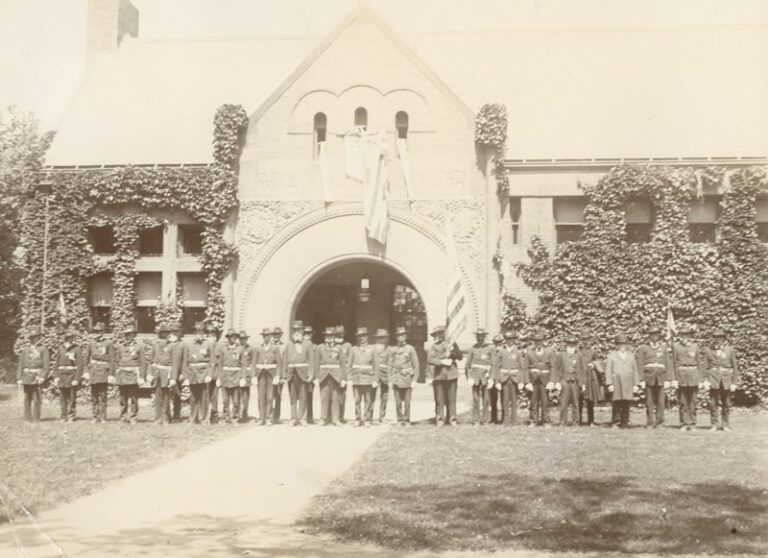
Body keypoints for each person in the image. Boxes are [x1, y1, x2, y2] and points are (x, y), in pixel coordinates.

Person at [636, 325, 672, 428]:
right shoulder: (643, 348)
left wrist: (669, 379)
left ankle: (660, 422)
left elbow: (668, 363)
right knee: (649, 402)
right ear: (649, 336)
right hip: (648, 377)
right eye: (652, 335)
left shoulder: (663, 348)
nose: (655, 337)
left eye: (656, 334)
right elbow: (640, 363)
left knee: (661, 401)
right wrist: (641, 379)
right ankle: (650, 422)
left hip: (661, 377)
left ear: (659, 336)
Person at [703, 329, 739, 432]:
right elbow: (705, 367)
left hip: (726, 380)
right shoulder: (708, 350)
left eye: (720, 337)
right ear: (713, 339)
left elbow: (735, 367)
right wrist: (705, 380)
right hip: (713, 379)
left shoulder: (730, 350)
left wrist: (734, 382)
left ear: (724, 338)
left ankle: (725, 425)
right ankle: (714, 424)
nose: (718, 340)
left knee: (726, 403)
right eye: (716, 337)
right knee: (713, 403)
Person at [426, 325, 461, 426]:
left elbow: (460, 357)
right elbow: (430, 359)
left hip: (452, 374)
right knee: (439, 399)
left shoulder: (452, 344)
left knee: (452, 399)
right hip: (439, 375)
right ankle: (440, 419)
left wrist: (452, 353)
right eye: (437, 334)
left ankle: (452, 419)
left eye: (441, 333)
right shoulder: (434, 346)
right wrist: (442, 362)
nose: (439, 336)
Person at [181, 322, 215, 424]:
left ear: (204, 333)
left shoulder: (208, 344)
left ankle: (204, 419)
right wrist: (186, 376)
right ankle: (192, 418)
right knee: (193, 397)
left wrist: (209, 375)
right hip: (192, 373)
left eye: (201, 332)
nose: (198, 334)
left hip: (203, 373)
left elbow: (212, 361)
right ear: (194, 333)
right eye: (196, 332)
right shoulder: (188, 344)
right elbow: (185, 362)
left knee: (203, 397)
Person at [605, 333, 640, 428]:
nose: (622, 346)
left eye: (624, 344)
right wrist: (609, 384)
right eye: (620, 344)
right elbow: (608, 370)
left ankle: (625, 421)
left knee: (626, 402)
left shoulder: (631, 356)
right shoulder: (611, 356)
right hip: (616, 382)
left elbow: (635, 370)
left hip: (628, 382)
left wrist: (636, 384)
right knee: (616, 402)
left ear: (627, 345)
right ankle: (616, 421)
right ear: (616, 345)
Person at [671, 325, 703, 431]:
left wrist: (700, 379)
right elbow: (674, 363)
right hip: (681, 376)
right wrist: (674, 379)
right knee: (683, 401)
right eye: (682, 335)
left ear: (690, 336)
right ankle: (684, 423)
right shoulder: (676, 346)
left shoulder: (695, 347)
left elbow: (699, 364)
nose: (685, 337)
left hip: (693, 376)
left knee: (693, 401)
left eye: (687, 335)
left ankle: (693, 423)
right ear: (680, 336)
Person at [148, 323, 180, 425]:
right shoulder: (155, 345)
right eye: (162, 333)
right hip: (157, 373)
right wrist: (149, 374)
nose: (163, 335)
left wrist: (173, 378)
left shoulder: (172, 346)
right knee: (157, 396)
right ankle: (158, 418)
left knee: (166, 396)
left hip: (167, 374)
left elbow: (175, 363)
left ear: (168, 334)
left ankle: (166, 417)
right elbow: (151, 361)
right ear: (159, 334)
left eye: (165, 333)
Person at [284, 320, 314, 426]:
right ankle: (293, 418)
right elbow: (284, 360)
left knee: (303, 397)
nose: (297, 332)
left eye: (299, 330)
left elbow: (311, 360)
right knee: (293, 397)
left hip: (303, 374)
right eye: (295, 330)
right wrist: (284, 375)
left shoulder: (308, 344)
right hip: (292, 374)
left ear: (302, 331)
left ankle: (302, 418)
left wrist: (311, 374)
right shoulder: (288, 344)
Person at [523, 329, 556, 427]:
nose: (538, 343)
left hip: (545, 380)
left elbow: (553, 367)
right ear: (534, 341)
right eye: (536, 341)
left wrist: (552, 381)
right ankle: (533, 420)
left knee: (545, 401)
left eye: (540, 340)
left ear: (543, 340)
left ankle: (546, 421)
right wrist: (527, 382)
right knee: (533, 401)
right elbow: (525, 367)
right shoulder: (529, 351)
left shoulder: (549, 351)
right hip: (533, 380)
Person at [492, 330, 526, 426]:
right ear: (505, 340)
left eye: (511, 339)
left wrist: (521, 381)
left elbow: (521, 367)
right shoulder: (501, 351)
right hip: (504, 378)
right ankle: (506, 420)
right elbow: (496, 367)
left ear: (514, 340)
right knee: (505, 399)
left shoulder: (518, 352)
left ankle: (514, 420)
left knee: (514, 400)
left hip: (515, 378)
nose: (510, 341)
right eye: (508, 339)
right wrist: (497, 381)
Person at [347, 327, 379, 427]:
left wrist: (375, 380)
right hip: (356, 378)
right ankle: (358, 419)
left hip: (368, 379)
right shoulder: (353, 349)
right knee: (357, 400)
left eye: (363, 336)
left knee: (368, 400)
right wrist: (349, 378)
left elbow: (376, 366)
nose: (362, 338)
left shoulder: (372, 349)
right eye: (360, 336)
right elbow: (349, 364)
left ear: (367, 337)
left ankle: (367, 419)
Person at [315, 326, 346, 426]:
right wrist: (316, 377)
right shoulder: (320, 348)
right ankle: (323, 418)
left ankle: (335, 419)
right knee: (324, 398)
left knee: (335, 398)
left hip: (335, 376)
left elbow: (342, 364)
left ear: (333, 337)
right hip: (323, 376)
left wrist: (343, 378)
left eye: (330, 336)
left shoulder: (339, 348)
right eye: (326, 336)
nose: (328, 338)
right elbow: (316, 363)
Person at [84, 322, 114, 423]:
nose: (98, 333)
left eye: (100, 331)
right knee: (94, 395)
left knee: (103, 395)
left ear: (103, 332)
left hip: (104, 371)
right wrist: (86, 372)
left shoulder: (108, 343)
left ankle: (103, 416)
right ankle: (95, 416)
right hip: (93, 371)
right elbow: (86, 358)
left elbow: (112, 359)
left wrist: (111, 374)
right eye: (96, 331)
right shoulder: (90, 343)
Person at [114, 326, 145, 424]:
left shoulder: (139, 347)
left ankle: (133, 417)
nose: (127, 337)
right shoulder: (120, 346)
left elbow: (143, 362)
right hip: (123, 374)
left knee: (133, 397)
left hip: (133, 374)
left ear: (134, 335)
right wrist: (116, 372)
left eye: (129, 334)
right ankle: (123, 416)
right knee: (123, 396)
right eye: (126, 335)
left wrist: (142, 377)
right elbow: (116, 361)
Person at [18, 327, 49, 422]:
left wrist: (42, 377)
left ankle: (36, 418)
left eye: (35, 337)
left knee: (36, 399)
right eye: (31, 337)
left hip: (36, 376)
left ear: (38, 337)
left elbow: (46, 365)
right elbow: (21, 364)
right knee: (27, 398)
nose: (32, 339)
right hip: (27, 376)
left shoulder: (43, 349)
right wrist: (19, 377)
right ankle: (27, 418)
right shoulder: (25, 349)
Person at [390, 326, 419, 426]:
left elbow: (416, 365)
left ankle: (406, 420)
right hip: (396, 379)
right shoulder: (393, 349)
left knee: (407, 403)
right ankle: (399, 419)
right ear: (396, 337)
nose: (401, 337)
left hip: (407, 379)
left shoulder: (410, 349)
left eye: (403, 335)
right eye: (399, 335)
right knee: (398, 403)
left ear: (406, 336)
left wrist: (414, 379)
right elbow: (390, 365)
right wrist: (391, 380)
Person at [53, 328, 83, 422]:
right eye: (67, 338)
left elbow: (80, 364)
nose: (69, 339)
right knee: (62, 397)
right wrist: (56, 376)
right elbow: (56, 363)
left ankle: (71, 416)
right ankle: (63, 416)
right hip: (62, 375)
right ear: (64, 338)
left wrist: (77, 378)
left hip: (72, 375)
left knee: (72, 397)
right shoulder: (60, 348)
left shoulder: (77, 348)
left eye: (71, 338)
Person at [465, 328, 493, 426]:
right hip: (475, 377)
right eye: (478, 336)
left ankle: (485, 420)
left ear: (484, 337)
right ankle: (476, 420)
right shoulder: (472, 349)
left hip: (486, 376)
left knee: (486, 399)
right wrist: (469, 378)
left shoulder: (490, 348)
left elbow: (493, 364)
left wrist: (491, 379)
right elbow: (467, 365)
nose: (479, 338)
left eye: (481, 336)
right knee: (476, 399)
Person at [254, 327, 281, 425]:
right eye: (265, 336)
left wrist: (277, 376)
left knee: (270, 397)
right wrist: (253, 376)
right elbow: (254, 362)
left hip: (271, 375)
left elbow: (279, 363)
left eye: (268, 336)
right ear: (263, 337)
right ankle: (262, 418)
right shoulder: (258, 348)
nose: (266, 338)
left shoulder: (275, 348)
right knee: (261, 397)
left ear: (271, 337)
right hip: (261, 374)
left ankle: (269, 418)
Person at [553, 335, 582, 426]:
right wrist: (557, 382)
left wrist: (582, 384)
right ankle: (562, 421)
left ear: (575, 345)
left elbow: (581, 370)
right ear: (567, 345)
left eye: (573, 344)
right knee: (563, 402)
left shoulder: (579, 355)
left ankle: (576, 422)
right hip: (564, 380)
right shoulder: (561, 355)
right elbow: (557, 369)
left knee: (575, 402)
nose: (571, 346)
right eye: (570, 344)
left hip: (575, 381)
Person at [217, 329, 244, 424]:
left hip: (236, 377)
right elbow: (220, 364)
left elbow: (243, 364)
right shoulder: (223, 349)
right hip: (225, 377)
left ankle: (235, 418)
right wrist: (219, 378)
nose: (234, 338)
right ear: (228, 338)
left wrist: (242, 378)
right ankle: (225, 418)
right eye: (231, 337)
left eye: (235, 337)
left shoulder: (240, 349)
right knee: (225, 401)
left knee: (236, 401)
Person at [577, 329, 603, 427]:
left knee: (590, 401)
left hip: (589, 378)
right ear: (581, 340)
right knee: (578, 399)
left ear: (590, 340)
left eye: (587, 339)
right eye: (583, 339)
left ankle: (591, 421)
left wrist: (593, 364)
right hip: (579, 377)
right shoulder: (577, 351)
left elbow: (598, 362)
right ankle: (578, 420)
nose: (585, 341)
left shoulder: (593, 352)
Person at [371, 329, 394, 423]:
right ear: (376, 339)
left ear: (386, 338)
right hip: (374, 374)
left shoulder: (389, 349)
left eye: (383, 338)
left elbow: (390, 363)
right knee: (371, 396)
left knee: (384, 396)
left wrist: (390, 379)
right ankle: (369, 415)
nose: (381, 340)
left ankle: (382, 416)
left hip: (385, 374)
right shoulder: (372, 348)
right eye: (379, 338)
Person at [168, 322, 184, 422]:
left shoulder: (182, 344)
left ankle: (176, 415)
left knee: (177, 395)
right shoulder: (167, 343)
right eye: (173, 331)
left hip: (177, 373)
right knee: (166, 395)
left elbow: (184, 360)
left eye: (177, 331)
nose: (175, 333)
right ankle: (167, 415)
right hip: (167, 372)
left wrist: (182, 373)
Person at [336, 325, 352, 423]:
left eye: (341, 333)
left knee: (342, 396)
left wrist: (348, 377)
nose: (340, 335)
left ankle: (341, 416)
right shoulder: (333, 345)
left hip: (343, 374)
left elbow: (349, 362)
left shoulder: (348, 346)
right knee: (333, 396)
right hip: (333, 373)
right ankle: (332, 416)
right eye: (338, 334)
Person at [239, 330, 255, 423]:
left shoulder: (250, 349)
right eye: (241, 339)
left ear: (246, 339)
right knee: (237, 395)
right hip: (237, 374)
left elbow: (252, 362)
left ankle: (245, 413)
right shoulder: (236, 348)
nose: (242, 340)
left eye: (244, 339)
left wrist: (252, 375)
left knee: (245, 396)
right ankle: (237, 414)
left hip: (247, 374)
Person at [271, 326, 287, 423]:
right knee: (269, 396)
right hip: (271, 373)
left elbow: (284, 361)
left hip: (280, 373)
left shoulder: (284, 346)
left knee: (278, 396)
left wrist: (283, 376)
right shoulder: (270, 345)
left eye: (278, 334)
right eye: (275, 335)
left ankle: (276, 416)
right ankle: (270, 415)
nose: (277, 336)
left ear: (281, 335)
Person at [207, 326, 222, 423]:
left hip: (215, 374)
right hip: (206, 374)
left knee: (214, 395)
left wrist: (219, 377)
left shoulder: (220, 347)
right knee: (206, 394)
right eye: (209, 335)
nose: (211, 338)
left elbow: (221, 363)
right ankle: (205, 414)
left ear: (216, 337)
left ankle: (214, 414)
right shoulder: (205, 346)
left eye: (213, 335)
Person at [488, 334, 504, 424]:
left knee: (503, 398)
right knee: (493, 399)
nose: (498, 344)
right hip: (492, 377)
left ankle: (503, 418)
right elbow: (490, 364)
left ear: (502, 342)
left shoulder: (504, 351)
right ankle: (493, 418)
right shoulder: (491, 351)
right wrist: (490, 377)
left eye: (499, 342)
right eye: (496, 343)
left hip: (501, 378)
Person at [302, 325, 317, 424]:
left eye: (309, 334)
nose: (308, 336)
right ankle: (302, 416)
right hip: (302, 374)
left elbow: (316, 361)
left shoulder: (315, 347)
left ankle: (310, 417)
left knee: (309, 395)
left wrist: (315, 376)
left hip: (311, 374)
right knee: (302, 396)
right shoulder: (301, 346)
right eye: (306, 334)